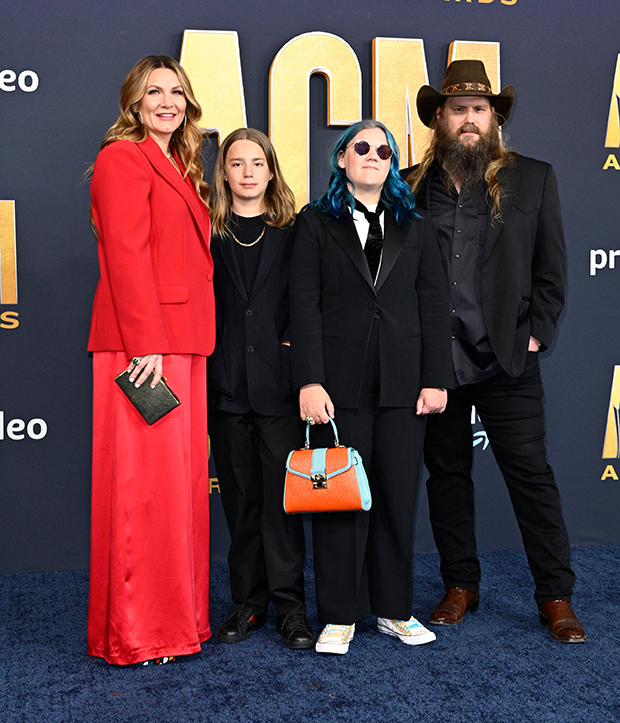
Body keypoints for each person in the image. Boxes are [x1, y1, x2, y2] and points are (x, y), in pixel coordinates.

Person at [403, 59, 586, 642]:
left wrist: (537, 332)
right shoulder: (407, 186)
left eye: (480, 110)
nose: (470, 120)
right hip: (437, 362)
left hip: (508, 356)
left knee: (531, 475)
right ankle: (460, 584)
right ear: (439, 118)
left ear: (494, 119)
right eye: (458, 110)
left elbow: (552, 271)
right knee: (448, 475)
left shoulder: (533, 178)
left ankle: (555, 594)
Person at [289, 119, 452, 654]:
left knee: (396, 500)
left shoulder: (418, 226)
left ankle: (394, 610)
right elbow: (303, 307)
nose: (374, 155)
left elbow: (433, 307)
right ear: (341, 158)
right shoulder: (314, 223)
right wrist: (309, 379)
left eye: (384, 150)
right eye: (362, 147)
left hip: (405, 386)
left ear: (392, 163)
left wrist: (435, 379)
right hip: (340, 386)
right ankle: (339, 615)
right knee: (341, 501)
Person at [87, 55, 215, 665]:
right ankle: (142, 632)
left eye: (177, 91)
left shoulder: (182, 164)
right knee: (145, 494)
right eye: (153, 91)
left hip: (183, 343)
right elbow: (127, 257)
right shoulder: (121, 159)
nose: (167, 100)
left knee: (179, 492)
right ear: (133, 102)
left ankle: (178, 622)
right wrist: (147, 348)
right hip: (146, 345)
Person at [207, 128, 314, 650]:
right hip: (225, 388)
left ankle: (291, 608)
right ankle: (248, 603)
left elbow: (307, 308)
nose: (247, 172)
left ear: (272, 171)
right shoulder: (208, 231)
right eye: (235, 163)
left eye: (257, 162)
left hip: (279, 391)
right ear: (223, 173)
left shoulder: (296, 233)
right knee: (241, 505)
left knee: (282, 506)